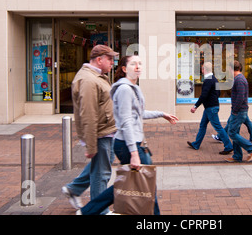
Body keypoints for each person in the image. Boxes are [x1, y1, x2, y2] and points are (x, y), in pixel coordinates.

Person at [78, 55, 178, 215]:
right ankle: (87, 211)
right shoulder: (125, 89)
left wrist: (162, 114)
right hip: (127, 145)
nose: (137, 66)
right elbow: (126, 122)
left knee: (136, 182)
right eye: (133, 64)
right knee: (141, 183)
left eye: (139, 63)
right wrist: (133, 153)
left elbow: (137, 114)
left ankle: (87, 211)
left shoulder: (133, 88)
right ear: (124, 69)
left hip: (131, 144)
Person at [61, 45, 118, 212]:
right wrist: (91, 145)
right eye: (110, 59)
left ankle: (74, 188)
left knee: (103, 164)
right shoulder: (88, 80)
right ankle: (99, 210)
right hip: (100, 134)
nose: (112, 63)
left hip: (107, 131)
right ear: (99, 60)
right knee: (102, 174)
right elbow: (88, 114)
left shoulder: (96, 77)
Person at [187, 62, 233, 154]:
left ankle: (228, 146)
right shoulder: (214, 79)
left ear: (204, 69)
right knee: (203, 125)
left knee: (218, 127)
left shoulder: (208, 80)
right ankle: (196, 144)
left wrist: (195, 106)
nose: (201, 71)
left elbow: (203, 95)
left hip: (210, 108)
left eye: (202, 69)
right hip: (211, 107)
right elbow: (218, 93)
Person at [225, 61, 252, 163]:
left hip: (239, 111)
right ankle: (237, 156)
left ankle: (251, 148)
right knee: (235, 132)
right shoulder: (239, 79)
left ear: (231, 69)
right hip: (239, 111)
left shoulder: (239, 80)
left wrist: (234, 110)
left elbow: (240, 97)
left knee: (232, 133)